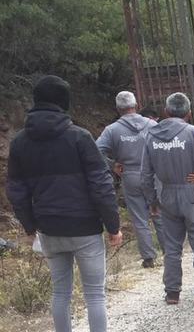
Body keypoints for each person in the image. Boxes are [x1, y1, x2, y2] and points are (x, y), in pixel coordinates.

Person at [6, 75, 122, 332]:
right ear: (64, 102)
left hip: (48, 228)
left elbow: (16, 190)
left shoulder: (19, 142)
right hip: (85, 228)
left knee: (60, 293)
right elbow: (101, 185)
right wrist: (113, 226)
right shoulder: (80, 137)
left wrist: (29, 226)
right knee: (94, 294)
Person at [141, 92, 194, 305]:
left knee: (172, 248)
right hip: (192, 194)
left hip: (167, 195)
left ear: (166, 112)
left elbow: (145, 175)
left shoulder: (151, 136)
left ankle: (172, 293)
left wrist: (153, 201)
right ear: (189, 113)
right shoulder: (193, 133)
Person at [96, 91, 165, 269]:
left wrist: (112, 164)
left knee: (139, 217)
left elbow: (96, 151)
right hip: (153, 174)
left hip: (130, 174)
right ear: (136, 104)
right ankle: (170, 252)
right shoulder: (151, 124)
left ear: (118, 109)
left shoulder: (112, 130)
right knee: (159, 213)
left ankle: (149, 258)